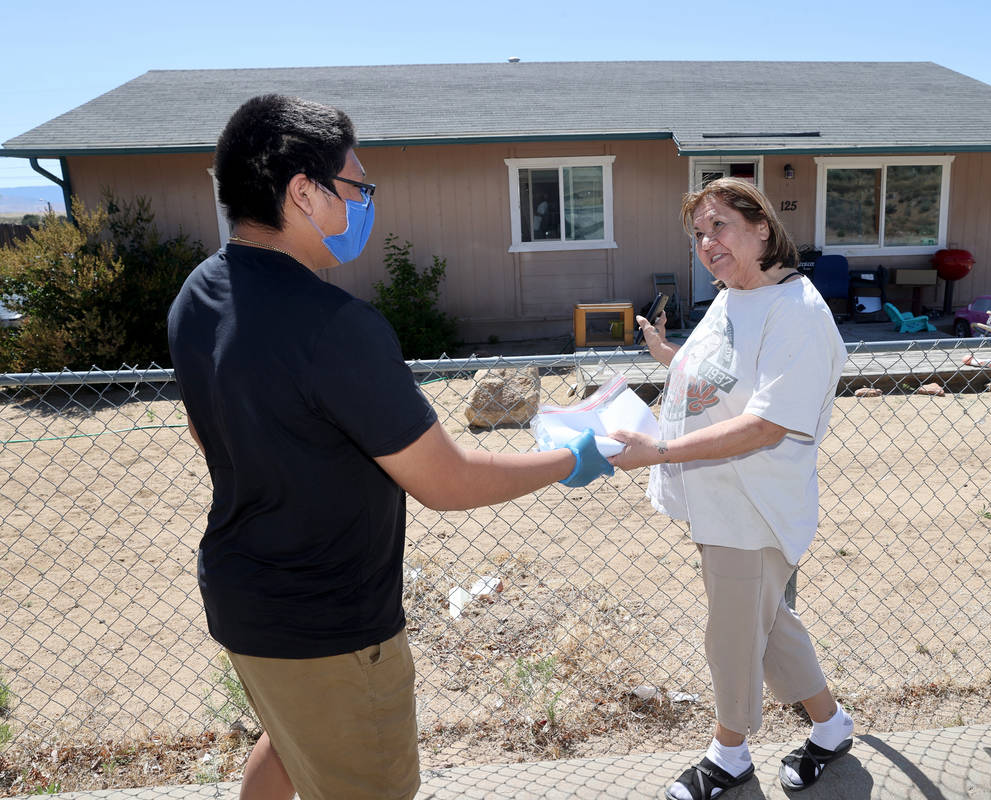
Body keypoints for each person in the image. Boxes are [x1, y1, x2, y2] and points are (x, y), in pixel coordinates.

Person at [166, 94, 612, 800]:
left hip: (244, 598)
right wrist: (575, 458)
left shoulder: (198, 295)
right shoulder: (337, 327)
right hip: (332, 627)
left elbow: (204, 427)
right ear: (304, 193)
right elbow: (447, 481)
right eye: (356, 187)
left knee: (290, 741)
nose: (366, 202)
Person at [608, 177, 852, 799]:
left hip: (754, 507)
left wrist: (658, 450)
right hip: (717, 503)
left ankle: (730, 755)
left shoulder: (796, 311)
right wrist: (668, 355)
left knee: (734, 636)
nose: (707, 243)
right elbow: (717, 376)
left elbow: (767, 424)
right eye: (698, 233)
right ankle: (831, 726)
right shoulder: (731, 296)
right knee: (767, 625)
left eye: (720, 226)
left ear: (762, 227)